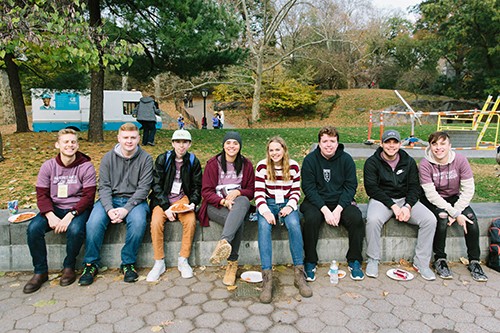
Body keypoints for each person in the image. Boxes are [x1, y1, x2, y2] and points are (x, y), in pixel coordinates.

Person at [78, 123, 153, 285]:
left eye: (133, 138)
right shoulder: (108, 158)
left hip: (135, 201)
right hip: (110, 199)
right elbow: (104, 186)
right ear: (119, 138)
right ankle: (91, 264)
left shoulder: (146, 159)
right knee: (93, 223)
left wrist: (126, 210)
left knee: (139, 222)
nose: (129, 141)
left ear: (139, 139)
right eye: (125, 138)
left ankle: (128, 263)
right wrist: (109, 209)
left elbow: (143, 189)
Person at [23, 129, 96, 293]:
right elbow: (41, 194)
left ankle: (69, 266)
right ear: (58, 144)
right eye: (66, 142)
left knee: (76, 230)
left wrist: (71, 215)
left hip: (78, 208)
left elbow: (89, 196)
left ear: (77, 145)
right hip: (54, 207)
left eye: (73, 142)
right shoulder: (48, 166)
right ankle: (40, 272)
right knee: (33, 229)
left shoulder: (86, 166)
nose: (70, 145)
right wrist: (50, 215)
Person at [364, 129, 437, 280]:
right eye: (388, 142)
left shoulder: (408, 161)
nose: (391, 146)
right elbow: (372, 189)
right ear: (382, 144)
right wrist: (393, 206)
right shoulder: (372, 162)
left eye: (395, 142)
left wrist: (407, 206)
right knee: (372, 220)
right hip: (382, 200)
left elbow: (414, 187)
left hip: (405, 200)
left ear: (399, 144)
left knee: (430, 220)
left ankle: (421, 263)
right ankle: (373, 259)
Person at [419, 131, 488, 281]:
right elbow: (431, 194)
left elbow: (468, 189)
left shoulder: (460, 160)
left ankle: (474, 261)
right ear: (430, 146)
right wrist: (454, 214)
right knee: (442, 219)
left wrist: (457, 210)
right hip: (433, 199)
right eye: (434, 144)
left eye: (442, 144)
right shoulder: (425, 164)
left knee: (471, 220)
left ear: (449, 146)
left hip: (454, 198)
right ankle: (440, 260)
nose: (438, 148)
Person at [301, 126, 365, 281]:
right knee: (310, 219)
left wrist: (338, 210)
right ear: (319, 143)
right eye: (325, 141)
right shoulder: (310, 160)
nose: (328, 144)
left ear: (337, 143)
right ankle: (310, 261)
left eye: (332, 141)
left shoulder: (346, 159)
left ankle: (354, 260)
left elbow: (350, 187)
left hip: (340, 202)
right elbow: (308, 188)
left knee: (356, 218)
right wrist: (325, 210)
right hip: (316, 202)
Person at [255, 136, 312, 303]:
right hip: (267, 203)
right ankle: (267, 278)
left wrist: (290, 206)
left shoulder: (293, 166)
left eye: (277, 149)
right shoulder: (261, 167)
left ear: (284, 150)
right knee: (264, 227)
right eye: (271, 150)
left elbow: (296, 192)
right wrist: (265, 211)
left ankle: (299, 274)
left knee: (294, 224)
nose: (274, 153)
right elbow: (258, 193)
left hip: (287, 203)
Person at [198, 131, 255, 286]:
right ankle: (232, 263)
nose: (231, 146)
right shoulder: (213, 164)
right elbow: (206, 192)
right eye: (228, 143)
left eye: (235, 143)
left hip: (238, 205)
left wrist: (238, 192)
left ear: (240, 146)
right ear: (223, 145)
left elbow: (251, 191)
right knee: (238, 221)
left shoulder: (246, 164)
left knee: (242, 201)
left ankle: (224, 242)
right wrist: (223, 202)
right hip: (215, 206)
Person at [147, 129, 202, 281]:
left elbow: (197, 186)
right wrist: (166, 207)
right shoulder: (163, 159)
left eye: (185, 142)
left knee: (190, 221)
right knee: (156, 222)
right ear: (172, 143)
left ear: (189, 144)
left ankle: (183, 259)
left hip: (182, 199)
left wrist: (193, 203)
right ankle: (159, 261)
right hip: (163, 200)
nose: (181, 145)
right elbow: (156, 185)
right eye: (178, 142)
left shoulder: (193, 161)